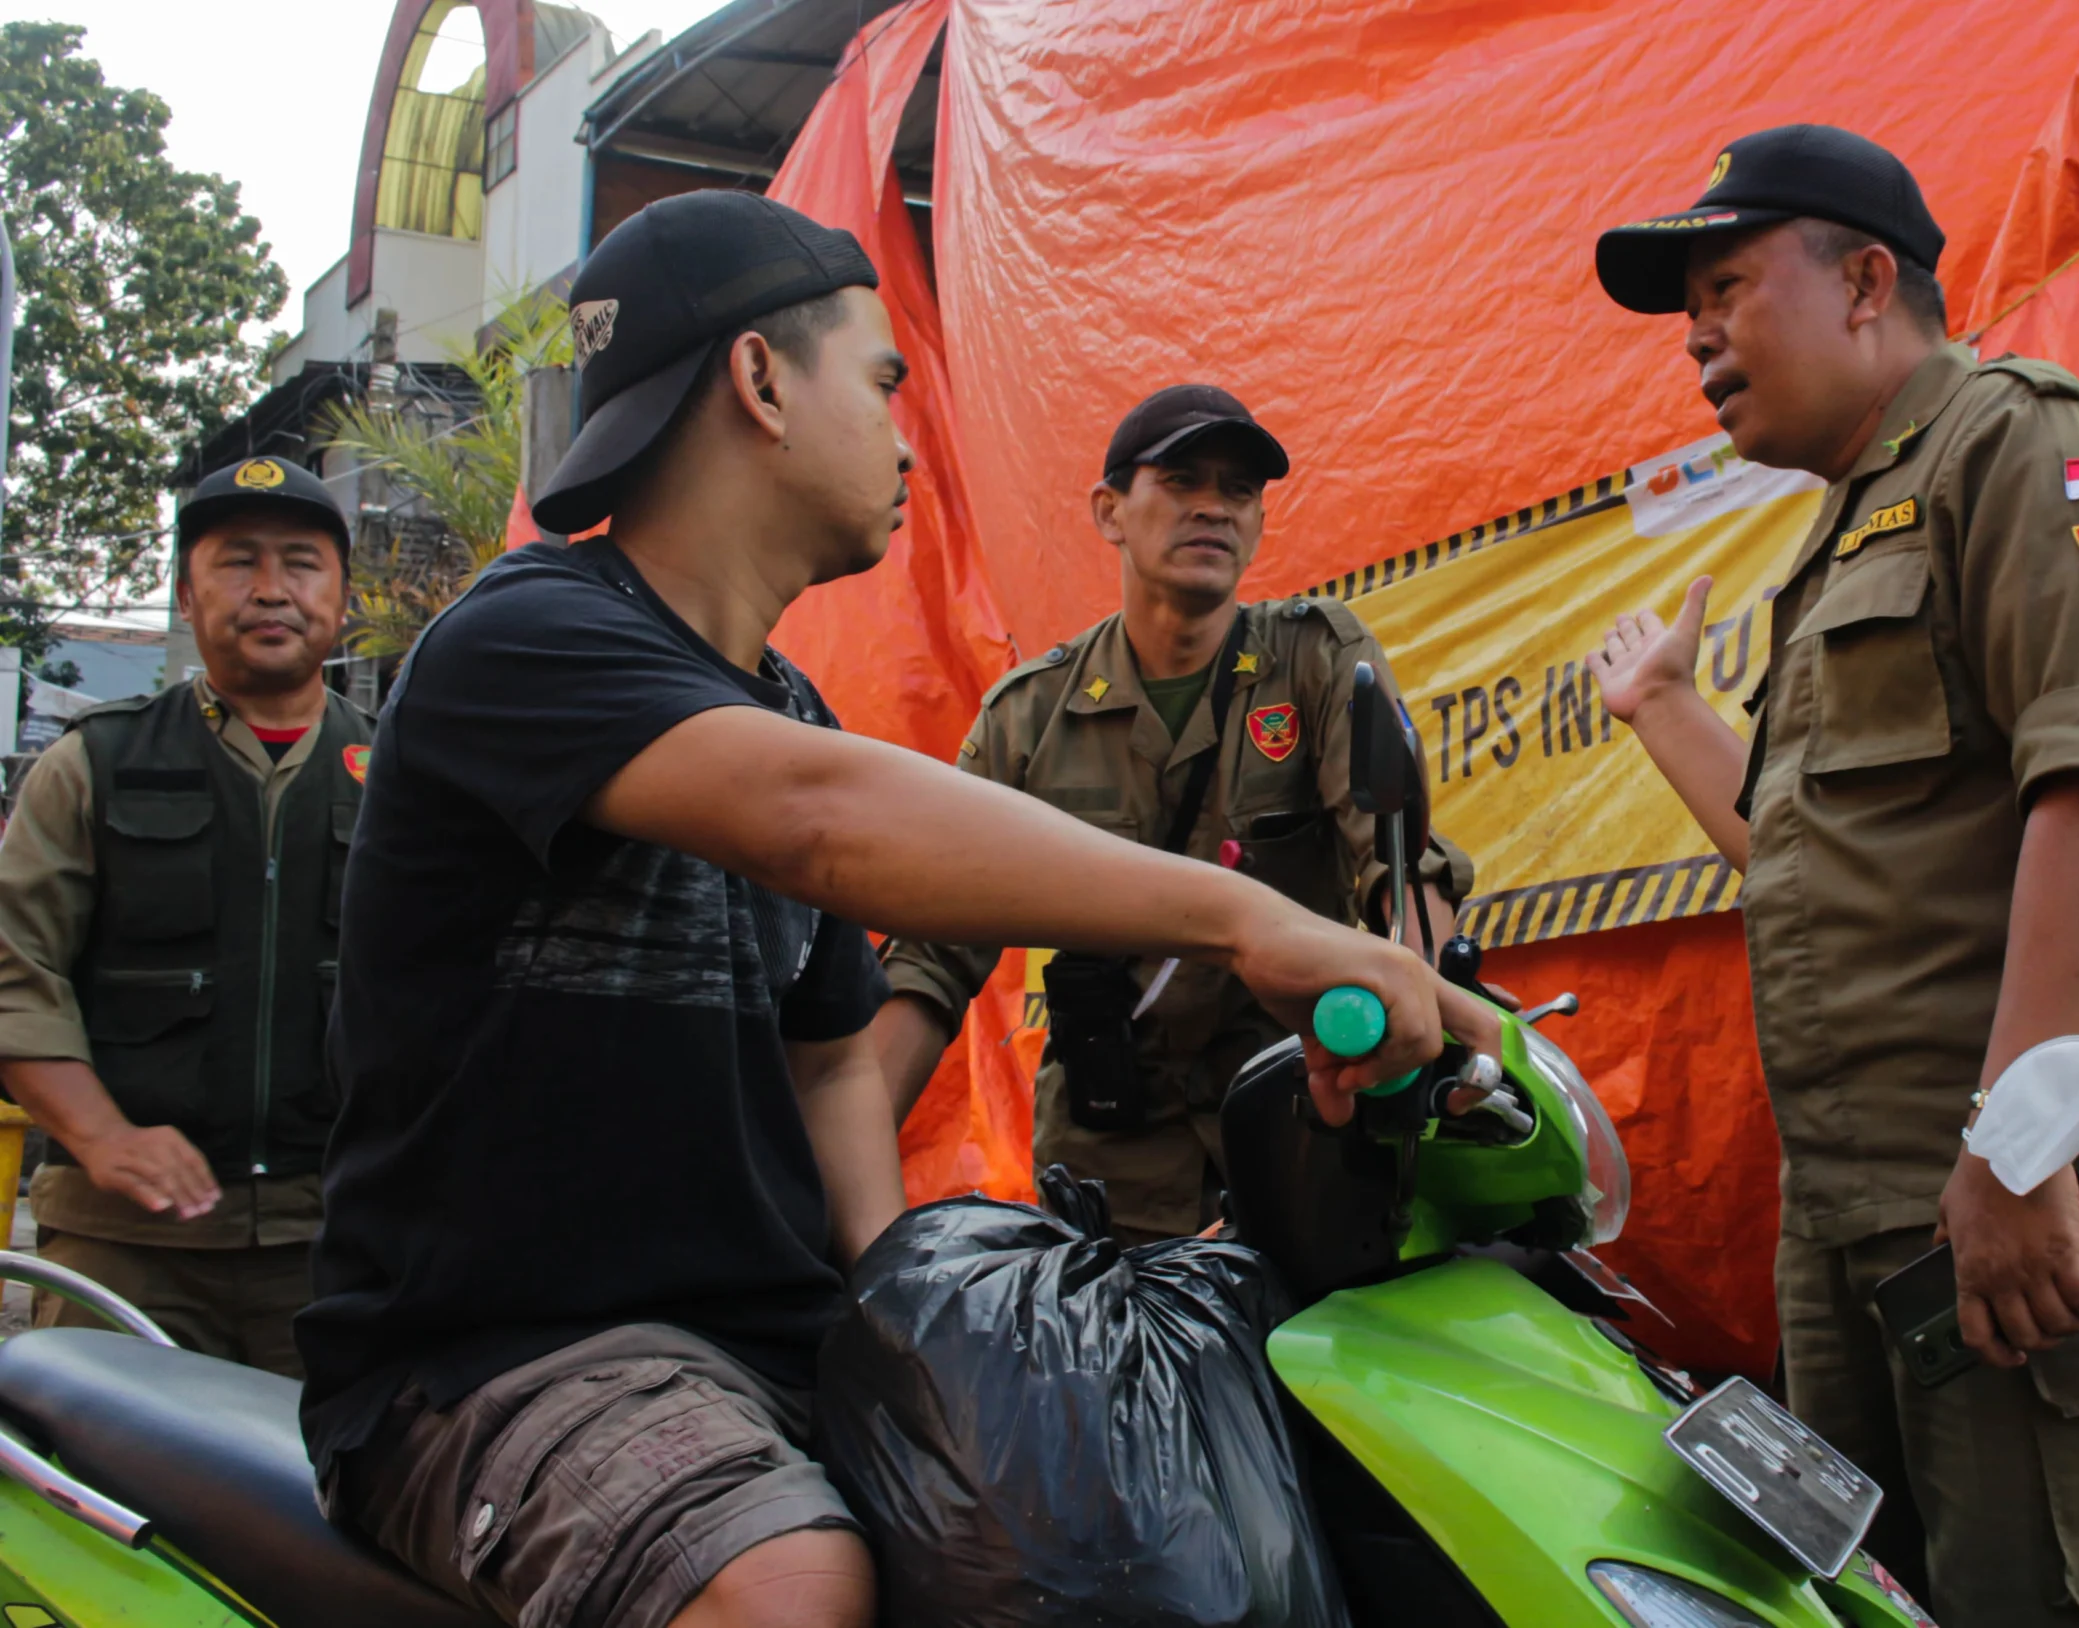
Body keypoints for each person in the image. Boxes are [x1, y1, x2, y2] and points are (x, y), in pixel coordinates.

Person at [297, 190, 1488, 1628]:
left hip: (767, 1340)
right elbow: (824, 823)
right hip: (512, 1360)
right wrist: (1250, 922)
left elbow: (833, 1064)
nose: (908, 435)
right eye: (880, 382)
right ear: (758, 381)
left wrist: (908, 1324)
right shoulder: (526, 639)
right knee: (794, 1584)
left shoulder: (791, 701)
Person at [1582, 125, 2079, 1623]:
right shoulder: (1845, 534)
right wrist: (1667, 713)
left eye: (1724, 282)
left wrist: (2022, 1145)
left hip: (2042, 1188)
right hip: (1882, 1207)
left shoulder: (2025, 443)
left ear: (1864, 281)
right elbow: (1811, 866)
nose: (1697, 333)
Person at [869, 385, 1472, 1243]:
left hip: (1297, 1124)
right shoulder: (1032, 717)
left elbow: (1401, 866)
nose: (1213, 508)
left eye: (1238, 491)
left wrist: (1408, 1033)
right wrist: (837, 1181)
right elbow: (931, 946)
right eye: (1182, 479)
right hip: (1109, 1163)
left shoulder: (1315, 663)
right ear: (1109, 512)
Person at [0, 456, 366, 1376]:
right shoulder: (95, 763)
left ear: (343, 595)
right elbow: (15, 969)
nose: (271, 589)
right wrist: (101, 1136)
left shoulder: (411, 774)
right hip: (125, 1249)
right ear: (186, 594)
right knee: (101, 1506)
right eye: (237, 561)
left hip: (336, 1248)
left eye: (301, 562)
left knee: (317, 1511)